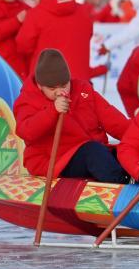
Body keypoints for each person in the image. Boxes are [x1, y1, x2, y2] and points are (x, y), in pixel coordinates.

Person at [14, 49, 130, 182]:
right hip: (55, 161)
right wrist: (52, 111)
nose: (60, 92)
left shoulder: (82, 91)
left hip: (93, 152)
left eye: (64, 85)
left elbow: (114, 120)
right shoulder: (27, 100)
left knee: (125, 152)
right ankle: (123, 186)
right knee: (93, 152)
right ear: (40, 86)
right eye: (52, 89)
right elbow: (26, 131)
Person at [16, 0, 96, 81]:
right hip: (79, 81)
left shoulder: (36, 14)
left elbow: (23, 45)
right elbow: (89, 35)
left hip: (46, 81)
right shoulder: (84, 12)